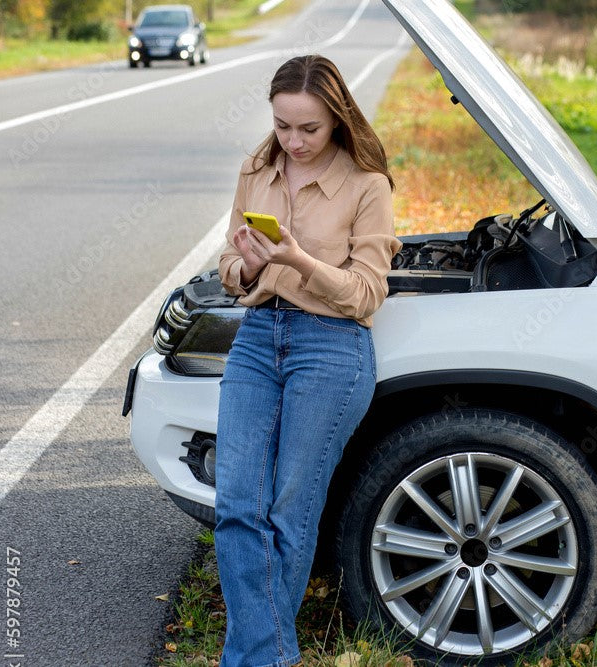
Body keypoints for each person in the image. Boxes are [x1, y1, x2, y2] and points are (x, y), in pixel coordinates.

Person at [215, 54, 402, 667]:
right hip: (257, 337)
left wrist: (295, 259)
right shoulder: (256, 168)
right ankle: (270, 658)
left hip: (330, 347)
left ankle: (251, 659)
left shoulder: (367, 186)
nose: (292, 142)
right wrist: (246, 263)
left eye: (308, 129)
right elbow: (229, 270)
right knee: (238, 506)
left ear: (337, 119)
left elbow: (366, 294)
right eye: (282, 125)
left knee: (289, 510)